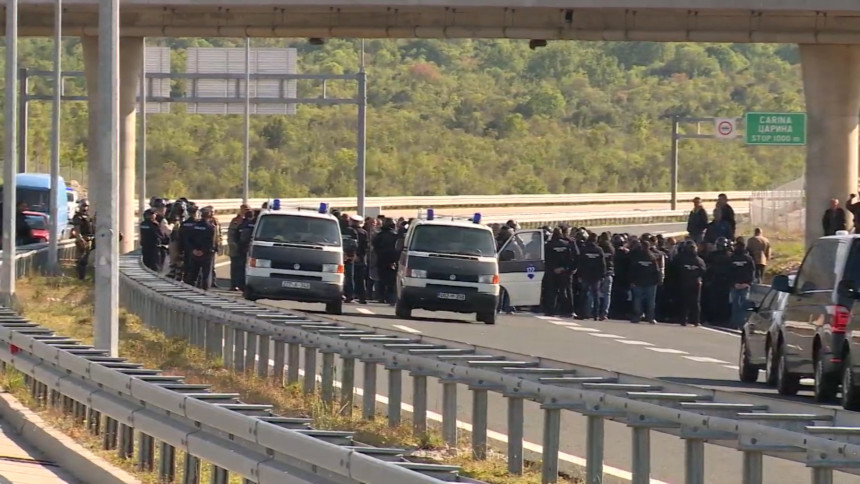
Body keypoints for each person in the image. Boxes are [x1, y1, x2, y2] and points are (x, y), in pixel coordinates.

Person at [673, 240, 706, 326]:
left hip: (686, 283)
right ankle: (695, 321)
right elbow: (703, 272)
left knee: (685, 302)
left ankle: (685, 320)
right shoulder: (699, 260)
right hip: (694, 283)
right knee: (695, 303)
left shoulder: (680, 258)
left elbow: (674, 270)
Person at [543, 227, 573, 317]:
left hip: (552, 272)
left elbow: (546, 259)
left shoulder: (548, 245)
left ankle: (551, 311)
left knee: (551, 292)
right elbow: (570, 259)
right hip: (563, 272)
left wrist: (553, 268)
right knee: (564, 292)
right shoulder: (566, 244)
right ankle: (566, 311)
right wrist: (564, 268)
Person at [628, 239, 660, 324]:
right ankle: (651, 317)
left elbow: (633, 269)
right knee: (650, 301)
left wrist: (632, 280)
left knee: (638, 300)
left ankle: (638, 316)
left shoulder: (637, 257)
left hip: (639, 282)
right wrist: (657, 281)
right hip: (650, 282)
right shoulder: (652, 257)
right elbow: (657, 270)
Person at [728, 237, 756, 329]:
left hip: (744, 285)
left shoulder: (748, 259)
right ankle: (735, 323)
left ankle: (740, 324)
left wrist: (747, 283)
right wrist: (733, 284)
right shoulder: (732, 258)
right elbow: (728, 272)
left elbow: (752, 272)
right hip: (735, 285)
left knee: (742, 305)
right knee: (736, 305)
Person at [579, 232, 606, 320]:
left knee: (583, 294)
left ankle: (582, 314)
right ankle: (596, 315)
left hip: (585, 275)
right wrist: (602, 275)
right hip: (596, 276)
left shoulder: (584, 249)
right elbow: (603, 264)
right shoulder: (599, 250)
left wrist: (579, 275)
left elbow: (580, 263)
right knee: (596, 295)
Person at [71, 200, 95, 280]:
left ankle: (82, 277)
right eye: (84, 206)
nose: (85, 208)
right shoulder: (78, 217)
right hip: (83, 240)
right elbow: (77, 231)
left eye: (87, 206)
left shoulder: (87, 216)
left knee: (85, 260)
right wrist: (81, 240)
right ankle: (80, 277)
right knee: (81, 260)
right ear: (80, 206)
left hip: (89, 239)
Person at [227, 204, 250, 291]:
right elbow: (231, 233)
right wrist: (233, 244)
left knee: (244, 267)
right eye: (244, 209)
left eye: (247, 209)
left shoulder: (250, 221)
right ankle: (234, 284)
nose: (245, 211)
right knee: (235, 266)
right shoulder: (236, 220)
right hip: (235, 247)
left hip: (245, 248)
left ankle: (242, 284)